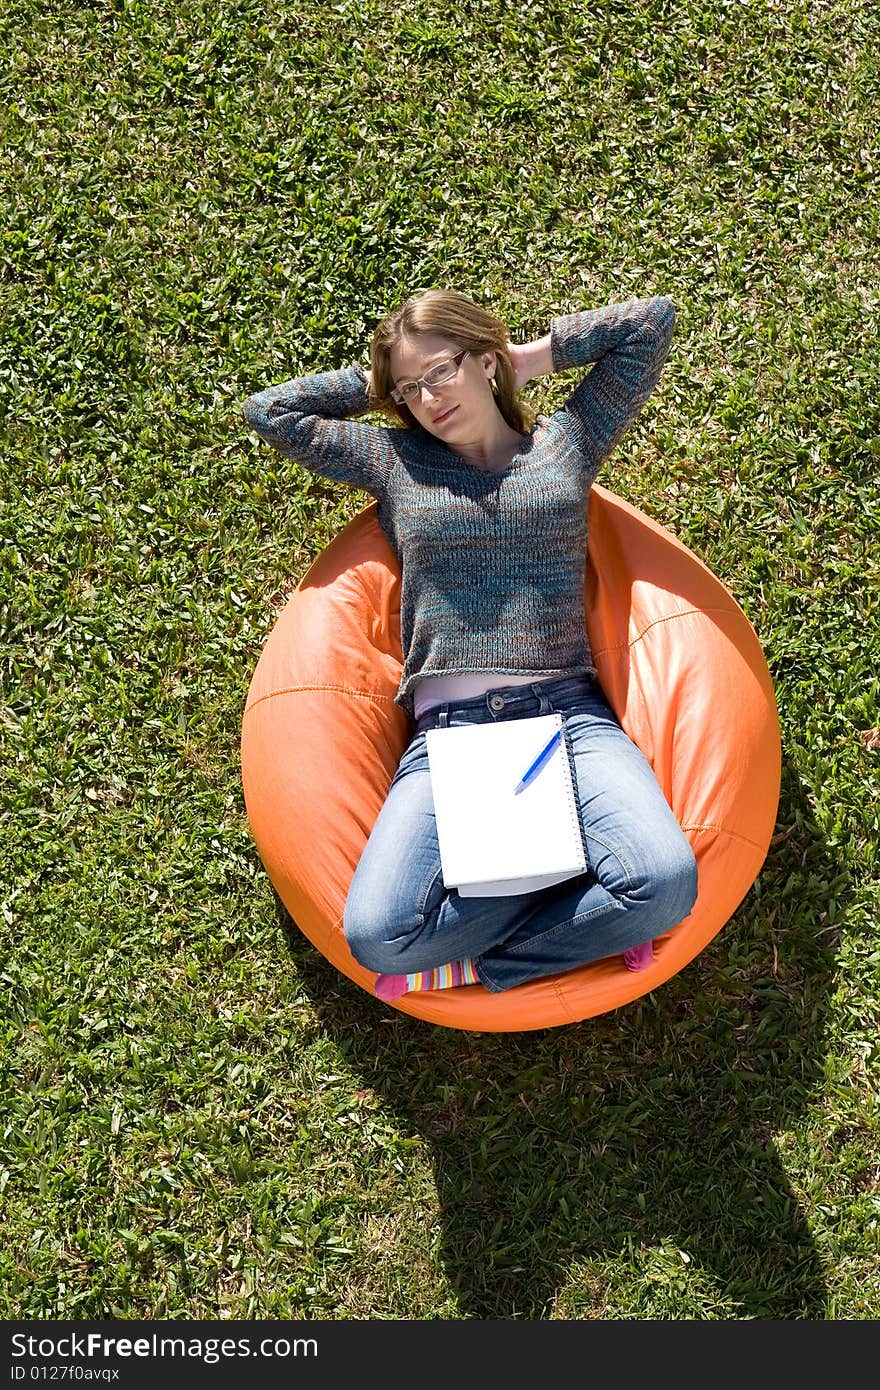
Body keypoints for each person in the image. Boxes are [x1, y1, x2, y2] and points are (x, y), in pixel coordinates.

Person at [242, 289, 698, 1002]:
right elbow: (270, 412)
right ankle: (577, 897)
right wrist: (378, 384)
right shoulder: (395, 459)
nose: (429, 399)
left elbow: (651, 324)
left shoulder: (566, 443)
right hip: (449, 737)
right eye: (410, 390)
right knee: (375, 935)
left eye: (442, 373)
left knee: (666, 884)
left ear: (484, 361)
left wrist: (525, 356)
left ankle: (492, 965)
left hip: (566, 719)